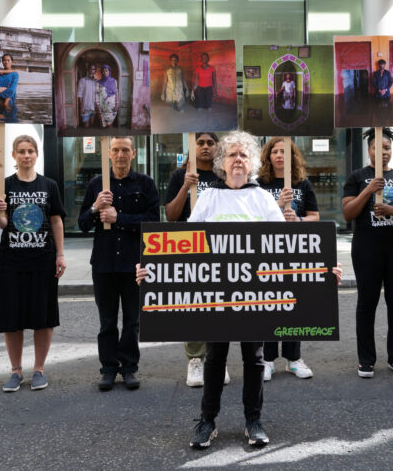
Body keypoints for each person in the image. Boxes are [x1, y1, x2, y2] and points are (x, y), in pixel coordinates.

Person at [137, 131, 342, 450]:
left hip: (255, 295)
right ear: (222, 162)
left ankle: (253, 420)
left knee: (254, 358)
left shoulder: (261, 199)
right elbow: (184, 247)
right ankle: (207, 421)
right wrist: (152, 271)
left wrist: (322, 271)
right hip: (216, 296)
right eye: (231, 154)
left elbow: (285, 247)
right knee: (215, 358)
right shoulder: (208, 198)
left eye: (243, 155)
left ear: (250, 164)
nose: (237, 160)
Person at [78, 137, 159, 391]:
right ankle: (109, 368)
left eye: (125, 150)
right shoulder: (97, 185)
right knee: (107, 320)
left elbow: (153, 222)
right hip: (103, 262)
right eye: (116, 150)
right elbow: (81, 224)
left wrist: (119, 217)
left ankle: (129, 367)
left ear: (133, 153)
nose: (121, 154)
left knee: (133, 320)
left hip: (135, 262)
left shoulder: (145, 184)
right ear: (109, 154)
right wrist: (95, 208)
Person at [343, 128, 393, 378]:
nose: (383, 152)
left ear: (391, 150)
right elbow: (348, 214)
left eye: (387, 148)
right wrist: (368, 190)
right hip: (367, 247)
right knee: (367, 302)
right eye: (377, 148)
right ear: (369, 150)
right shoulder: (357, 176)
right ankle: (366, 359)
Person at [0, 135, 66, 392]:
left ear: (37, 154)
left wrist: (60, 254)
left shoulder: (49, 185)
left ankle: (39, 369)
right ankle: (15, 371)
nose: (26, 155)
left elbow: (56, 220)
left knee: (43, 316)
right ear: (13, 155)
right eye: (21, 151)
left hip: (43, 258)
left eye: (30, 151)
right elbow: (2, 224)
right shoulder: (4, 185)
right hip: (11, 260)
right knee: (12, 316)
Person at [162, 132, 228, 388]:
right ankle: (195, 360)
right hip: (189, 247)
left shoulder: (223, 177)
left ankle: (216, 360)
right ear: (193, 147)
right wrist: (185, 186)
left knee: (218, 305)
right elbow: (170, 215)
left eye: (210, 143)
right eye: (200, 143)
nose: (205, 147)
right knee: (194, 305)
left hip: (219, 248)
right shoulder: (180, 176)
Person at [257, 137, 319, 381]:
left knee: (293, 303)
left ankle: (293, 358)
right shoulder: (259, 184)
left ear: (292, 156)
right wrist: (276, 205)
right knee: (270, 303)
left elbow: (315, 216)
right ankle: (268, 359)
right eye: (275, 151)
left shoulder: (302, 184)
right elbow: (252, 216)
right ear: (268, 156)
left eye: (284, 151)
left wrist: (299, 221)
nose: (279, 155)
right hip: (267, 251)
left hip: (296, 251)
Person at [0, 53, 20, 123]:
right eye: (4, 60)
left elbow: (11, 91)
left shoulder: (14, 74)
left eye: (8, 60)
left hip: (9, 104)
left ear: (12, 62)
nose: (6, 62)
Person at [77, 63, 99, 127]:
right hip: (85, 107)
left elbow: (98, 94)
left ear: (95, 71)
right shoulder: (82, 80)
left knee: (92, 124)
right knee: (86, 126)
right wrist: (81, 107)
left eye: (93, 69)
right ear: (88, 70)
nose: (92, 71)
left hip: (94, 107)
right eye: (90, 69)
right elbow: (79, 94)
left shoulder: (97, 82)